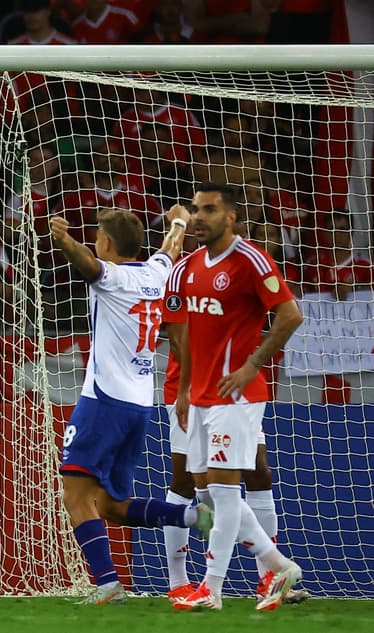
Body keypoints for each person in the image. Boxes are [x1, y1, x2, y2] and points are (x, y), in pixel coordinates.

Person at [49, 205, 213, 605]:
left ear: (106, 242)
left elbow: (89, 267)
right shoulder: (157, 272)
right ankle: (194, 517)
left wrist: (63, 239)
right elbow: (171, 248)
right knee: (111, 505)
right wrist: (178, 222)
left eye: (96, 237)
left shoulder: (114, 277)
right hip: (140, 403)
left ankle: (107, 585)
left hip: (104, 399)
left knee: (74, 495)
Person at [166, 182, 304, 611]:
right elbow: (182, 333)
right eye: (195, 209)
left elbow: (290, 314)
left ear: (230, 217)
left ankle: (213, 587)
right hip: (201, 396)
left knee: (225, 495)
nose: (199, 217)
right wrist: (185, 388)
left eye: (208, 210)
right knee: (205, 493)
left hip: (237, 397)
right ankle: (279, 566)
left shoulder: (249, 260)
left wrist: (251, 365)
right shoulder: (188, 267)